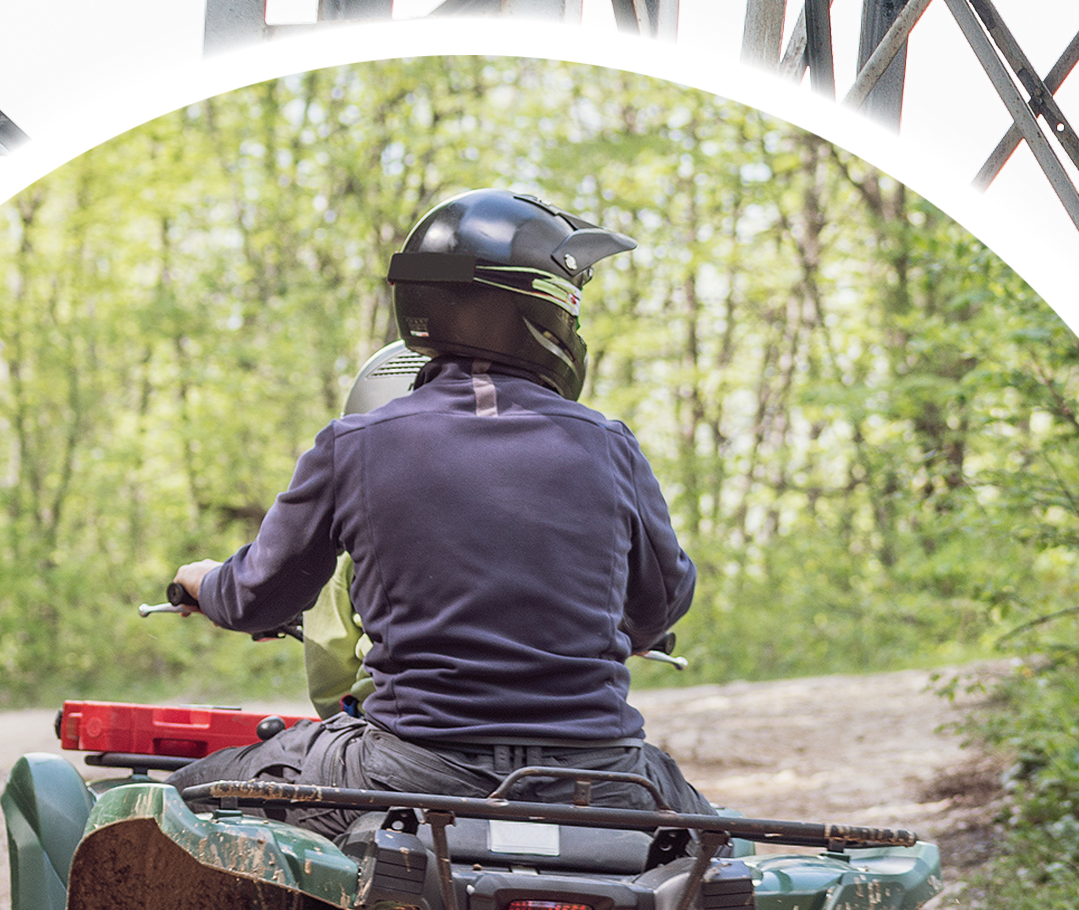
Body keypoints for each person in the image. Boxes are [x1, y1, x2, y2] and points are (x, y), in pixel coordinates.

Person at [170, 188, 704, 814]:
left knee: (174, 802)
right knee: (721, 844)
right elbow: (662, 603)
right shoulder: (610, 446)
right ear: (538, 310)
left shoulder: (354, 444)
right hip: (601, 777)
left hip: (411, 769)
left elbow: (258, 598)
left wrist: (204, 581)